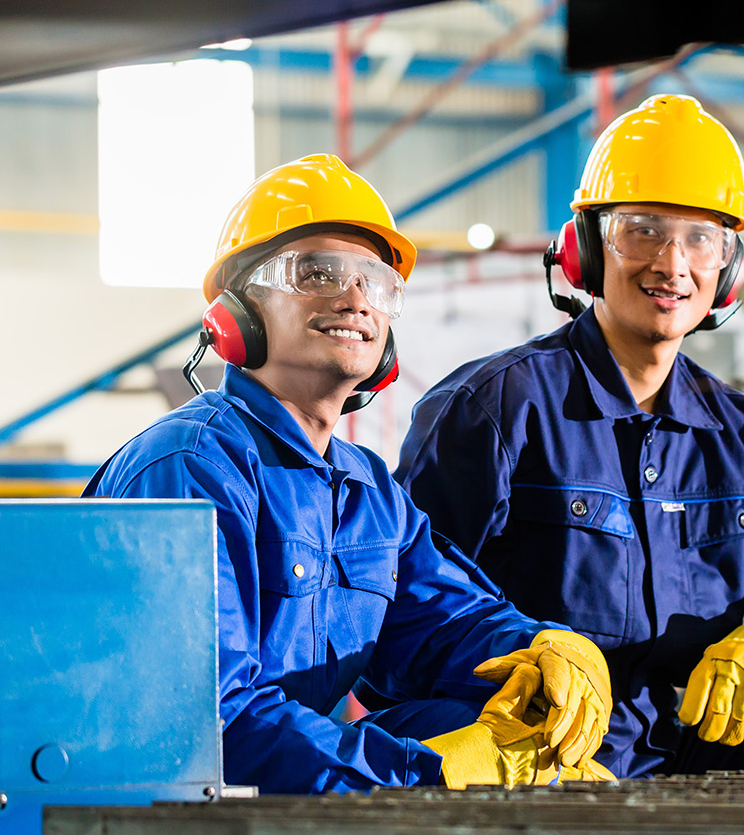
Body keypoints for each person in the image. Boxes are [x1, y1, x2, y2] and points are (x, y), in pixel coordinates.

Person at [395, 95, 744, 779]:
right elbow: (407, 603)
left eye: (702, 239)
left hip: (698, 739)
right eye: (642, 231)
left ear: (730, 269)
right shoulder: (495, 407)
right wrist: (525, 667)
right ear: (584, 251)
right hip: (552, 742)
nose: (673, 264)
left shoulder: (739, 431)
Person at [85, 154, 614, 793]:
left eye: (376, 279)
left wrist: (547, 648)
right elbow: (201, 725)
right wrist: (434, 773)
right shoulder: (190, 466)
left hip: (275, 781)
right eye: (317, 273)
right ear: (237, 311)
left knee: (512, 720)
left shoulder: (368, 489)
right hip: (162, 801)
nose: (356, 296)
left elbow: (444, 619)